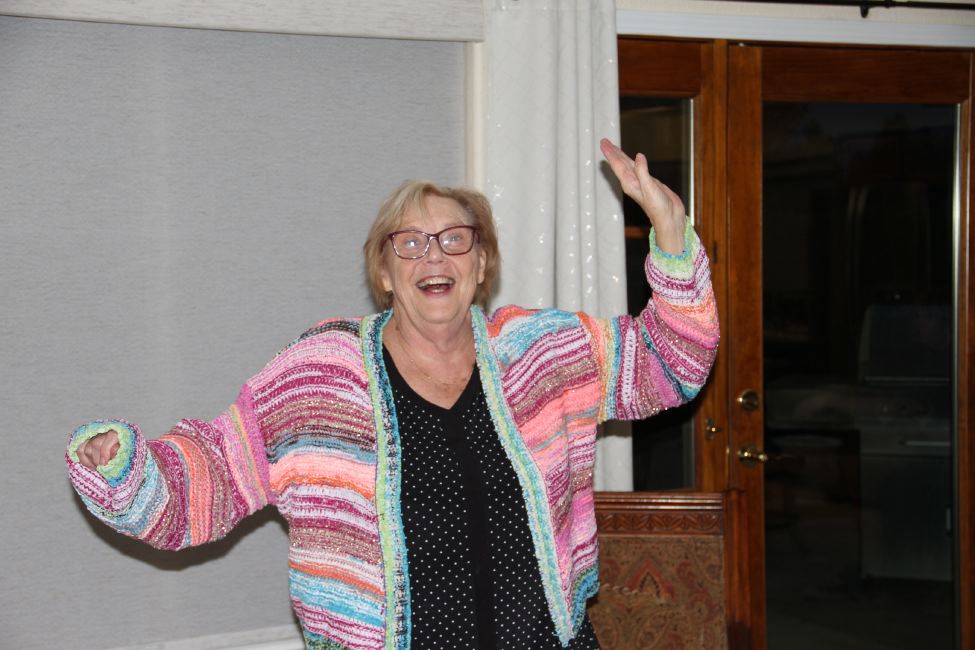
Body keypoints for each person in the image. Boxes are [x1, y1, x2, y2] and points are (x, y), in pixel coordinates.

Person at [67, 139, 719, 650]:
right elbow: (212, 473)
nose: (433, 257)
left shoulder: (541, 351)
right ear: (383, 272)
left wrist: (670, 234)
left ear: (481, 263)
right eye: (408, 243)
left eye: (454, 239)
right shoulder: (319, 376)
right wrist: (124, 472)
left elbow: (670, 362)